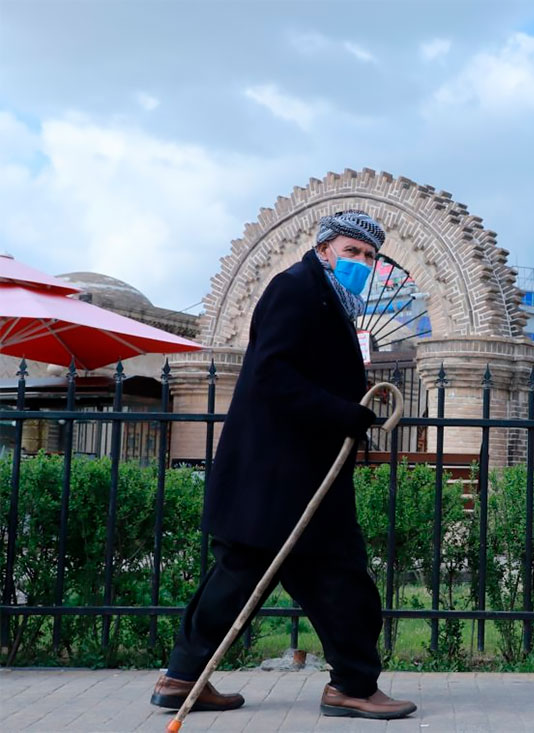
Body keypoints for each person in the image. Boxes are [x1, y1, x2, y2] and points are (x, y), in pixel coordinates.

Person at [150, 210, 417, 720]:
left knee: (248, 578)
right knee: (338, 581)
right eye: (352, 251)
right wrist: (345, 413)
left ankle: (182, 677)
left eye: (370, 255)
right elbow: (271, 374)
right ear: (323, 249)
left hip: (289, 476)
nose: (361, 261)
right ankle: (351, 686)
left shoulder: (327, 296)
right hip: (282, 475)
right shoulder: (295, 288)